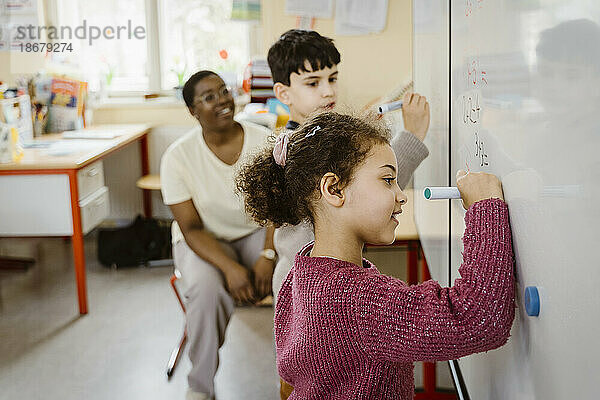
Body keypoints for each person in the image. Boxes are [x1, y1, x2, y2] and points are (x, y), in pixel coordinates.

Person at [235, 112, 515, 399]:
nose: (400, 194)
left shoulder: (300, 274)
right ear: (334, 189)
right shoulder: (357, 301)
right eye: (387, 179)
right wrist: (485, 206)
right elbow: (479, 319)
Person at [266, 29, 431, 305]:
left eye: (332, 78)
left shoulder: (314, 137)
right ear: (284, 93)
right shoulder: (305, 148)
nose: (328, 91)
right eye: (312, 83)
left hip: (311, 277)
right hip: (303, 283)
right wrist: (412, 136)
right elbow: (371, 190)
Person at [160, 70, 276, 400]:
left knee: (292, 277)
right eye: (209, 97)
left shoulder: (264, 140)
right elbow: (192, 228)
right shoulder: (178, 157)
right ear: (192, 111)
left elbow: (277, 208)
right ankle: (200, 388)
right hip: (204, 242)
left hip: (258, 233)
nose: (222, 100)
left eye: (224, 91)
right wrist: (230, 268)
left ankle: (300, 377)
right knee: (205, 290)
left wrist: (268, 255)